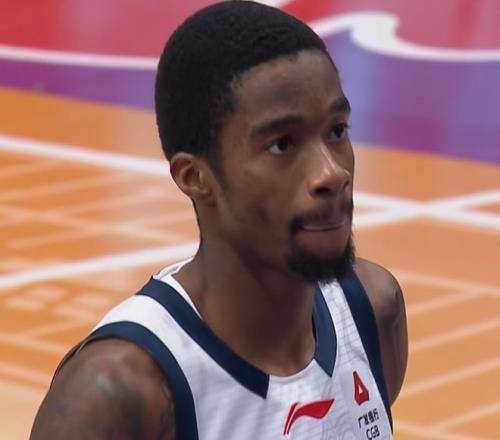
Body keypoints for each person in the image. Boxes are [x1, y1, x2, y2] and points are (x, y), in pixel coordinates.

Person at [30, 1, 408, 439]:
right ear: (194, 177)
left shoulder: (373, 310)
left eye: (337, 131)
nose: (332, 173)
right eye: (283, 145)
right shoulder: (116, 396)